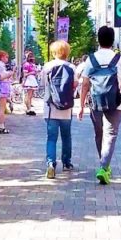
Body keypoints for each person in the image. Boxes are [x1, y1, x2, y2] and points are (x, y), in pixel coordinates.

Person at [79, 26, 121, 184]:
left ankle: (103, 163)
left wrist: (81, 105)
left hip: (95, 102)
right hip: (116, 103)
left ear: (98, 39)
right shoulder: (119, 59)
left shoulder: (91, 59)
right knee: (111, 135)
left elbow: (85, 84)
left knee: (99, 134)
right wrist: (117, 92)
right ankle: (104, 166)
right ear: (113, 40)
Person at [43, 40, 75, 179]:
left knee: (51, 138)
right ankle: (66, 162)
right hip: (66, 109)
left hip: (50, 108)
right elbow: (74, 86)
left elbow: (43, 85)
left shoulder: (47, 67)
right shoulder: (71, 67)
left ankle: (51, 164)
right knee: (66, 136)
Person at [21, 52, 40, 116]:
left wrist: (35, 72)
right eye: (30, 56)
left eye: (32, 56)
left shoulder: (33, 64)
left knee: (31, 96)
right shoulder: (26, 64)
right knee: (28, 95)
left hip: (32, 79)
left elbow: (35, 72)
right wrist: (32, 72)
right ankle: (28, 109)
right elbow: (25, 74)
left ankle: (29, 108)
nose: (31, 57)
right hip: (29, 80)